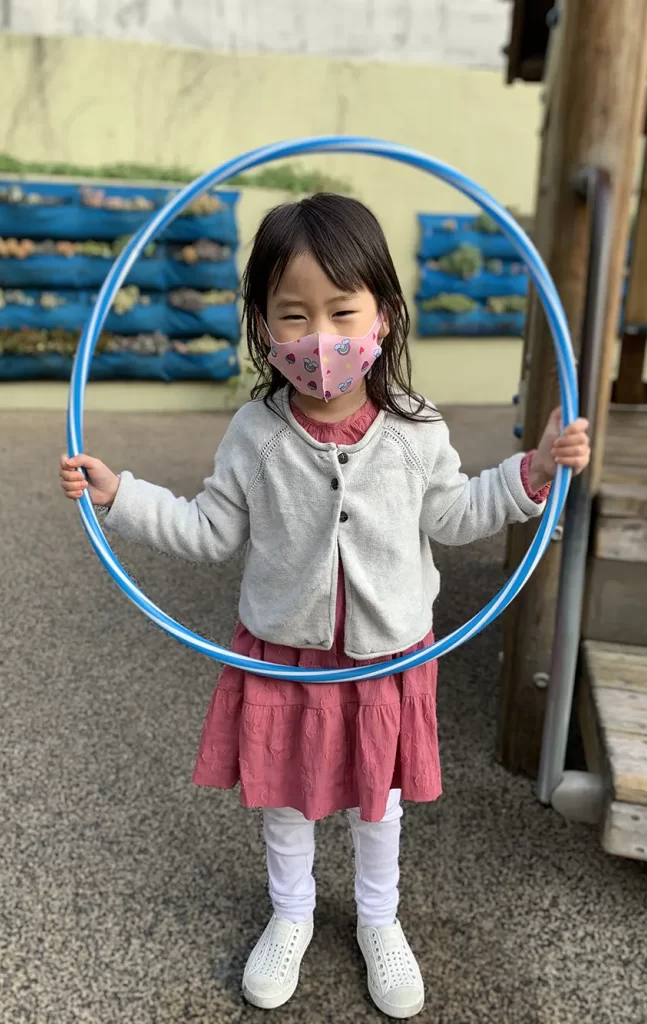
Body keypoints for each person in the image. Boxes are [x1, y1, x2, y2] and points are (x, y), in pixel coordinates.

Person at [60, 194, 590, 1019]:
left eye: (342, 311)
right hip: (284, 653)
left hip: (386, 654)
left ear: (383, 312)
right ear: (264, 327)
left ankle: (381, 920)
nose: (319, 339)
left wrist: (534, 473)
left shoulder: (415, 431)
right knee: (285, 798)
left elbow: (453, 513)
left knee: (377, 802)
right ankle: (292, 913)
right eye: (293, 316)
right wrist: (119, 495)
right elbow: (208, 528)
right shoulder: (255, 433)